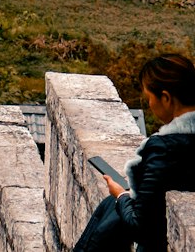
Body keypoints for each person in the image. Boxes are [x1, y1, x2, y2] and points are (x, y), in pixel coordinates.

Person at [75, 54, 195, 252]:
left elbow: (140, 226)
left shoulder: (163, 149)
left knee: (112, 205)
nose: (149, 105)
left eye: (149, 98)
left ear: (165, 98)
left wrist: (121, 195)